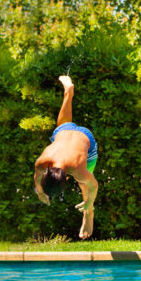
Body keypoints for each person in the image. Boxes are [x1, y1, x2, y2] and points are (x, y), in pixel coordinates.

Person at [34, 76, 99, 239]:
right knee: (61, 126)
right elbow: (37, 177)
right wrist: (41, 192)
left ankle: (88, 214)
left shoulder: (78, 170)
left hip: (86, 141)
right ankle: (68, 92)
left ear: (67, 179)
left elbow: (94, 186)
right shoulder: (42, 163)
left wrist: (90, 201)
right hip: (65, 131)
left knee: (84, 184)